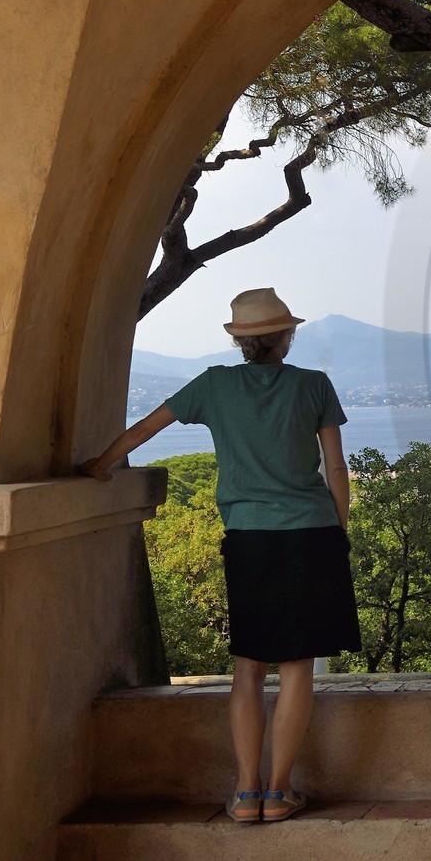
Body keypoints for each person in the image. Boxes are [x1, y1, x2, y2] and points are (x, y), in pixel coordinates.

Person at [81, 287, 360, 824]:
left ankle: (245, 792)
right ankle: (280, 793)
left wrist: (100, 465)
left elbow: (144, 428)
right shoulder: (314, 385)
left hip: (248, 538)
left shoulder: (213, 385)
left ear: (240, 342)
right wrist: (338, 531)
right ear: (285, 337)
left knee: (248, 667)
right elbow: (338, 469)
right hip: (310, 534)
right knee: (297, 665)